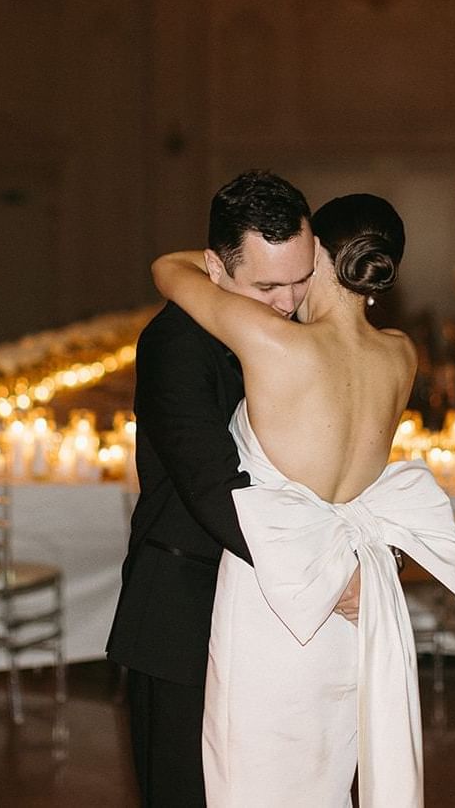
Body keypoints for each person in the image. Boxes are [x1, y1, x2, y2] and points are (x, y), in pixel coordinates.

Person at [151, 193, 455, 808]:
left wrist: (231, 258)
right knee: (328, 775)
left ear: (315, 254)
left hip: (276, 600)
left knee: (256, 780)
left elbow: (168, 269)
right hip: (350, 607)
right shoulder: (401, 354)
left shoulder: (269, 340)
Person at [109, 170, 347, 806]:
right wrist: (325, 576)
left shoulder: (289, 330)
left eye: (301, 279)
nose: (288, 302)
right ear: (213, 269)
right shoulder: (174, 345)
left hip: (265, 606)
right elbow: (217, 490)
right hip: (185, 609)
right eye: (267, 284)